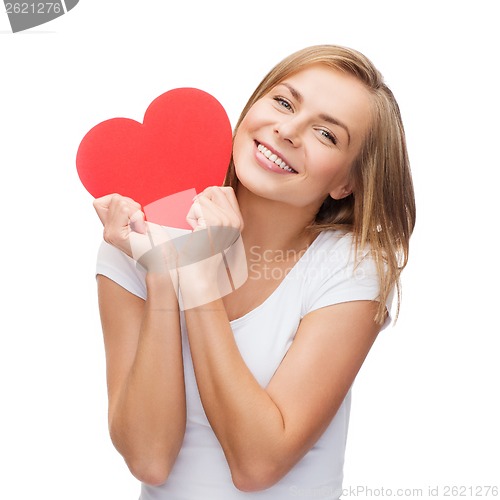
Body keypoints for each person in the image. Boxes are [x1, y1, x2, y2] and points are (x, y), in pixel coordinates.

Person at [93, 44, 416, 500]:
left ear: (347, 182)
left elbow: (257, 464)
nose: (287, 130)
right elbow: (149, 459)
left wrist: (200, 276)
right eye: (284, 102)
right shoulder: (135, 236)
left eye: (326, 134)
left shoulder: (351, 266)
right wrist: (164, 272)